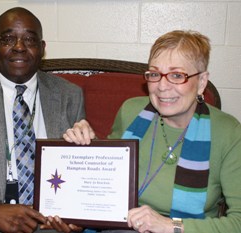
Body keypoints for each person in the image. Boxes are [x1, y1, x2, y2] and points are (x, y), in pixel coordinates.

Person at [63, 30, 241, 233]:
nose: (162, 87)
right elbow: (108, 183)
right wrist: (88, 149)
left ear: (201, 82)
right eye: (155, 74)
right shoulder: (130, 112)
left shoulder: (229, 133)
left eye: (176, 75)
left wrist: (168, 226)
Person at [0, 7, 84, 233]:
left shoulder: (69, 95)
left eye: (30, 39)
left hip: (49, 225)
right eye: (8, 38)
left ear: (42, 48)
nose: (19, 47)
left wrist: (77, 213)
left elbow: (80, 170)